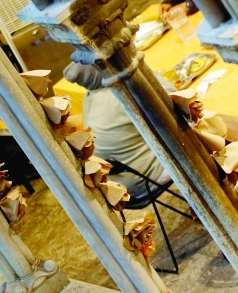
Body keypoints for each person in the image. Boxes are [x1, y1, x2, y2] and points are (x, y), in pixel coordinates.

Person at [67, 63, 172, 201]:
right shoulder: (121, 96)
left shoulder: (89, 97)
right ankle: (206, 199)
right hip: (146, 180)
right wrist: (143, 71)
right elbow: (172, 102)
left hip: (119, 183)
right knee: (195, 125)